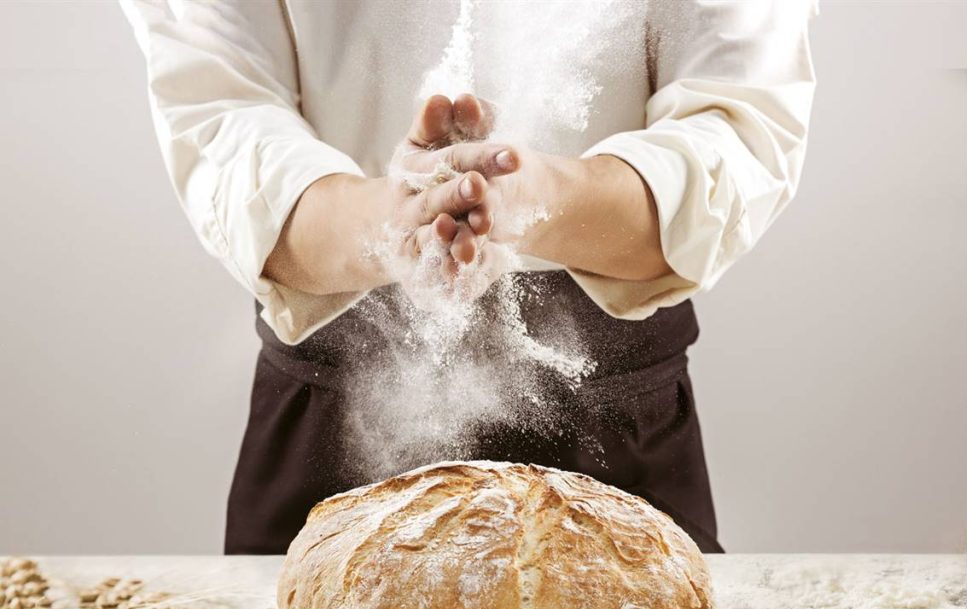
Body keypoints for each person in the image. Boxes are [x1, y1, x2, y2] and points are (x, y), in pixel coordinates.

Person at [121, 1, 816, 555]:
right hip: (326, 413)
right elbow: (225, 115)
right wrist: (395, 221)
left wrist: (535, 200)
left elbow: (734, 125)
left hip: (615, 421)